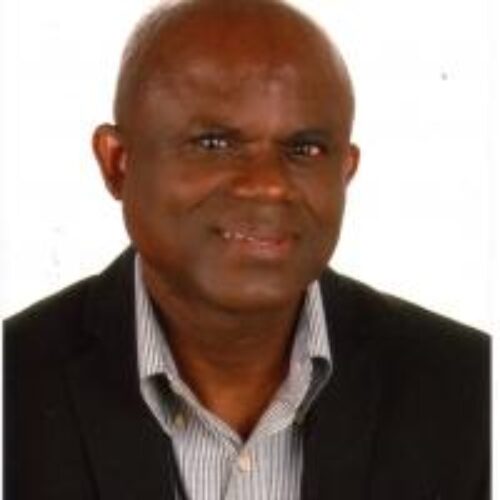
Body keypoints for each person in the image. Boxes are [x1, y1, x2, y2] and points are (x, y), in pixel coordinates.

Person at [4, 0, 489, 499]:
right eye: (214, 143)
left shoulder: (471, 391)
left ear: (345, 172)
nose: (268, 185)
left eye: (304, 149)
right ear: (117, 163)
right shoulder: (15, 380)